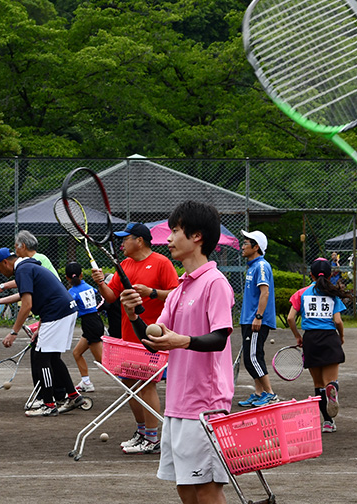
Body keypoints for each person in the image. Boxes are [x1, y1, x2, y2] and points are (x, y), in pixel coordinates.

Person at [118, 200, 234, 504]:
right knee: (184, 487)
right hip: (177, 405)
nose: (168, 239)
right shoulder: (181, 288)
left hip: (205, 406)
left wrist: (181, 340)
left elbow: (220, 338)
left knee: (207, 490)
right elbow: (153, 339)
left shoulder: (215, 283)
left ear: (196, 236)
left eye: (175, 231)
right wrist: (134, 316)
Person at [90, 221, 179, 455]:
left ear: (139, 240)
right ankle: (141, 433)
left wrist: (150, 293)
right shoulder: (124, 265)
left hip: (153, 336)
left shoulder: (162, 263)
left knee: (147, 385)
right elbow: (111, 297)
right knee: (129, 385)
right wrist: (100, 281)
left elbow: (176, 294)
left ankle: (152, 438)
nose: (122, 243)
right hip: (128, 336)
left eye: (125, 238)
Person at [0, 247, 86, 416]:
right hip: (65, 310)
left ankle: (49, 404)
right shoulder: (27, 267)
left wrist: (14, 332)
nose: (0, 273)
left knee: (42, 357)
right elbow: (26, 295)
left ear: (5, 262)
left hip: (57, 313)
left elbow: (27, 305)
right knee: (53, 357)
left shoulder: (23, 269)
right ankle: (73, 396)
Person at [287, 257, 346, 433]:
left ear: (310, 274)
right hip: (329, 338)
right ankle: (332, 389)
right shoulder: (333, 294)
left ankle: (327, 422)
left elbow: (290, 318)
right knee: (331, 380)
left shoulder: (302, 293)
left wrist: (298, 336)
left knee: (318, 384)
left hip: (311, 339)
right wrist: (341, 336)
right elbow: (338, 321)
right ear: (330, 275)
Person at [235, 229, 279, 408]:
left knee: (252, 358)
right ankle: (259, 393)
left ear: (256, 247)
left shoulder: (261, 266)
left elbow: (265, 292)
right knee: (254, 355)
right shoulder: (253, 266)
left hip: (256, 320)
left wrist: (258, 317)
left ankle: (269, 393)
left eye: (246, 243)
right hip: (249, 319)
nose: (242, 246)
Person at [66, 262, 104, 393]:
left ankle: (129, 381)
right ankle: (86, 382)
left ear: (67, 278)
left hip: (89, 325)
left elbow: (68, 309)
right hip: (96, 322)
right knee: (77, 353)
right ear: (82, 274)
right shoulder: (89, 287)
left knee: (102, 361)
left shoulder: (71, 292)